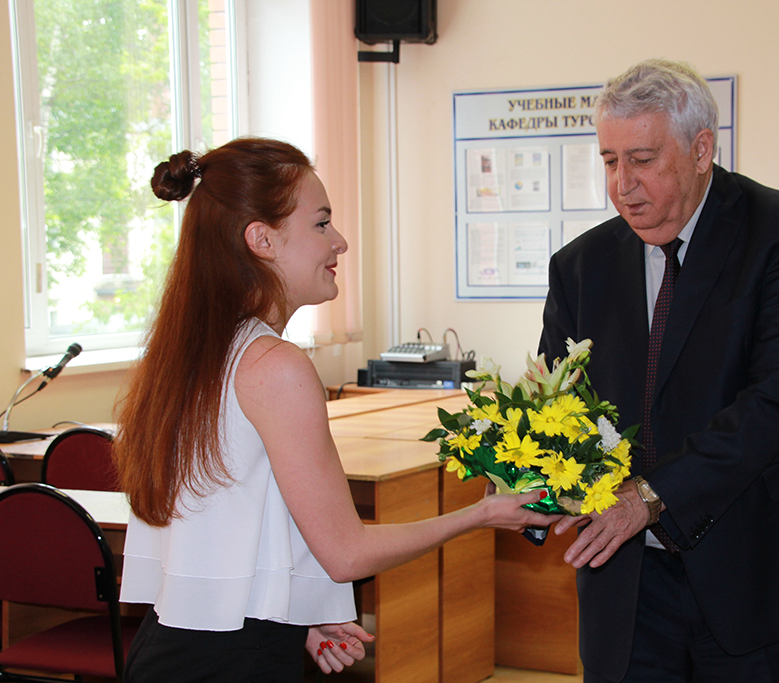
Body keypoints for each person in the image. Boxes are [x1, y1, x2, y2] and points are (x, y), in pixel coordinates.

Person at [114, 137, 553, 682]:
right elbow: (347, 553)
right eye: (321, 223)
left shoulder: (195, 351)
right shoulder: (275, 365)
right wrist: (480, 515)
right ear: (262, 239)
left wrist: (294, 617)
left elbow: (227, 529)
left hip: (175, 648)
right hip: (231, 665)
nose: (339, 241)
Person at [539, 60, 779, 682]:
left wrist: (651, 497)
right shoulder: (580, 265)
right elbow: (558, 400)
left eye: (642, 159)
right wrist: (530, 474)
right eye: (610, 161)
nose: (623, 184)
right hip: (630, 589)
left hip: (764, 574)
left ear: (701, 150)